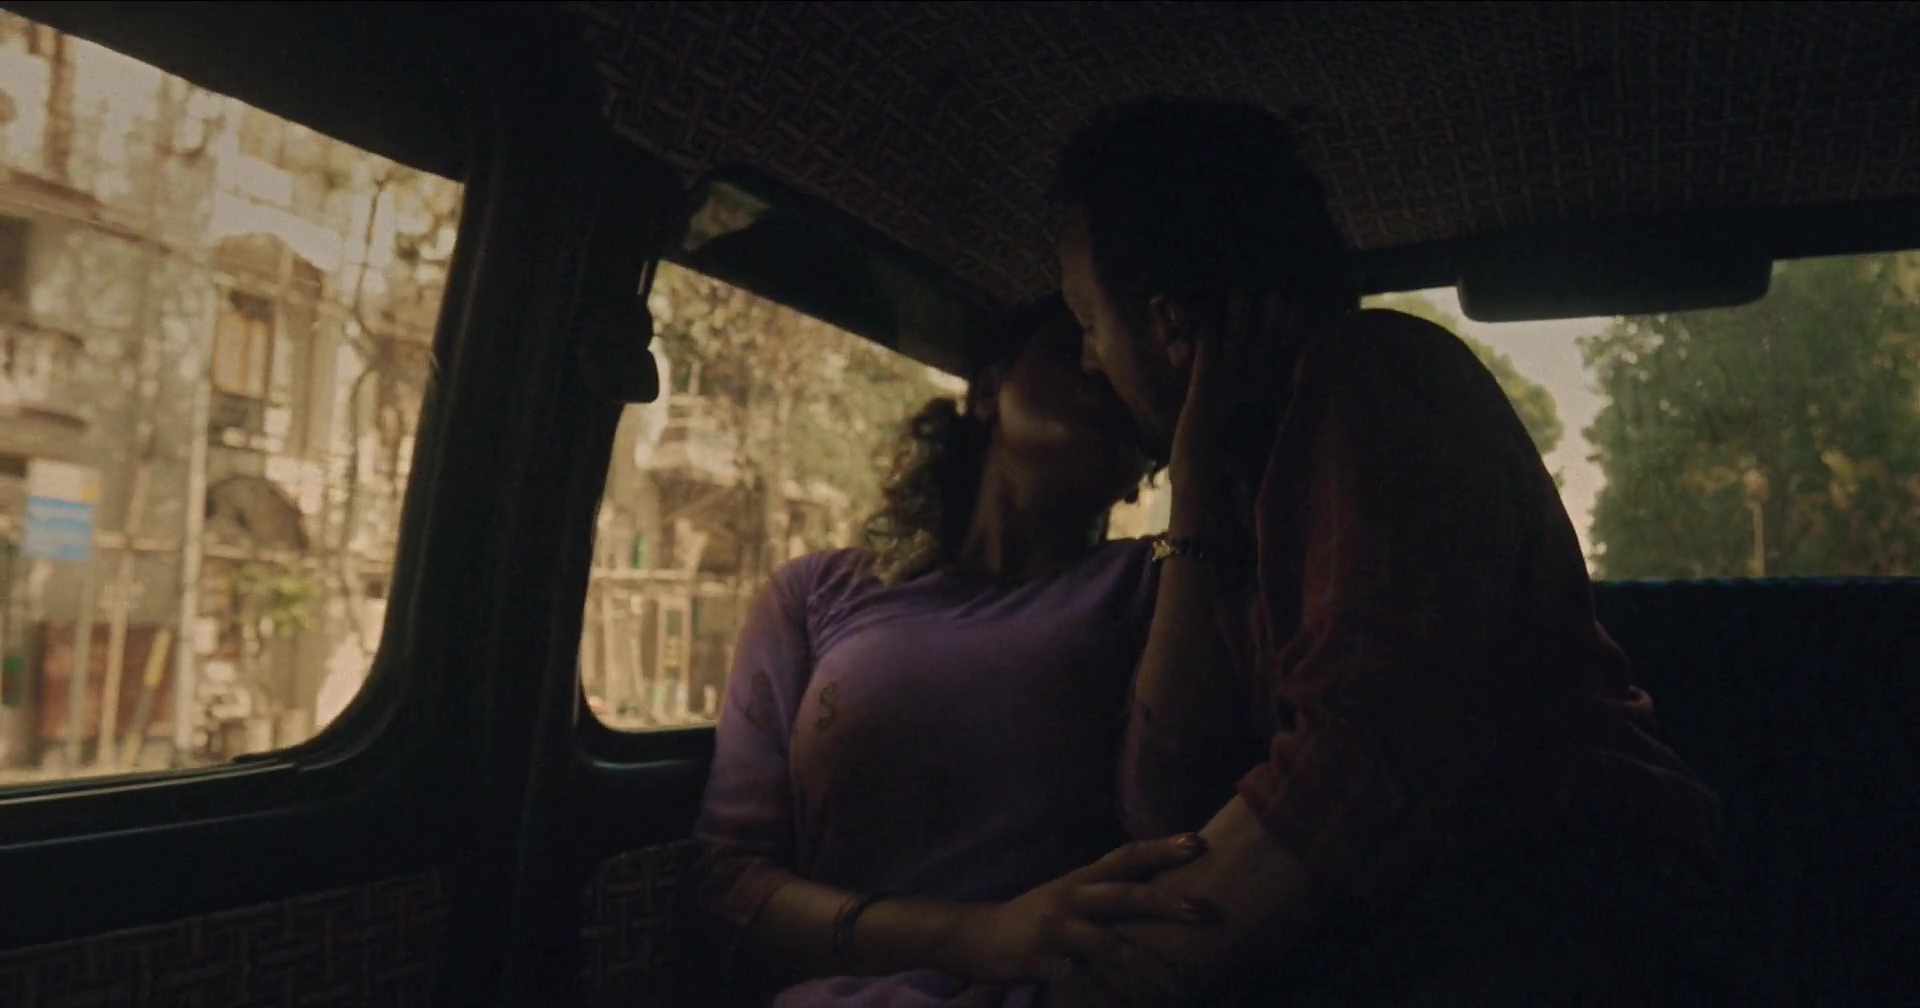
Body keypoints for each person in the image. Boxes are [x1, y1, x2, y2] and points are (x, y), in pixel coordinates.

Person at [1049, 98, 1727, 1005]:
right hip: (1421, 915)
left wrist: (1124, 968)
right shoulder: (1237, 482)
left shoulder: (1377, 380)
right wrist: (1195, 484)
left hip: (1570, 898)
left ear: (1170, 326)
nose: (1088, 360)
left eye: (1087, 321)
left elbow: (1362, 756)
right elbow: (1166, 806)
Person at [688, 295, 1215, 1007]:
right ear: (989, 390)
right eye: (1073, 344)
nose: (1101, 369)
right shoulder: (815, 595)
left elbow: (1176, 812)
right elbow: (730, 883)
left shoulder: (1160, 582)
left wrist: (1199, 491)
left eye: (1121, 362)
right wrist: (974, 937)